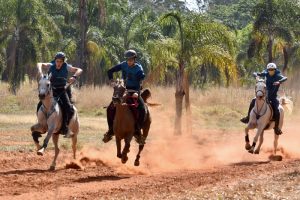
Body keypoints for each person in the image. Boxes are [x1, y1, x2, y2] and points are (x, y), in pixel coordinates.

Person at [102, 49, 146, 144]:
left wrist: (138, 93)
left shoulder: (139, 69)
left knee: (142, 109)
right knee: (110, 108)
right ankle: (110, 131)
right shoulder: (123, 65)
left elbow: (141, 81)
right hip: (123, 91)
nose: (129, 61)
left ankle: (138, 132)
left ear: (135, 59)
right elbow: (110, 71)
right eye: (128, 59)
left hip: (135, 91)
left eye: (131, 59)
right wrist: (112, 82)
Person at [37, 52, 83, 137]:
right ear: (55, 61)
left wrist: (74, 76)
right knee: (40, 104)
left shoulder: (67, 66)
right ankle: (40, 123)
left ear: (63, 61)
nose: (58, 63)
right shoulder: (51, 65)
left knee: (69, 108)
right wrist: (40, 71)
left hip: (62, 90)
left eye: (60, 61)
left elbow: (79, 70)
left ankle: (65, 128)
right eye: (57, 61)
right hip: (51, 90)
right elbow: (39, 64)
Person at [240, 63, 287, 135]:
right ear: (267, 70)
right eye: (269, 70)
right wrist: (255, 75)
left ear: (275, 70)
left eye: (272, 70)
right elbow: (256, 73)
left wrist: (279, 81)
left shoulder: (278, 76)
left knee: (277, 110)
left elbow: (285, 78)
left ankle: (276, 128)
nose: (270, 71)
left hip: (273, 97)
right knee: (253, 100)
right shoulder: (266, 73)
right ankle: (248, 117)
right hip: (264, 96)